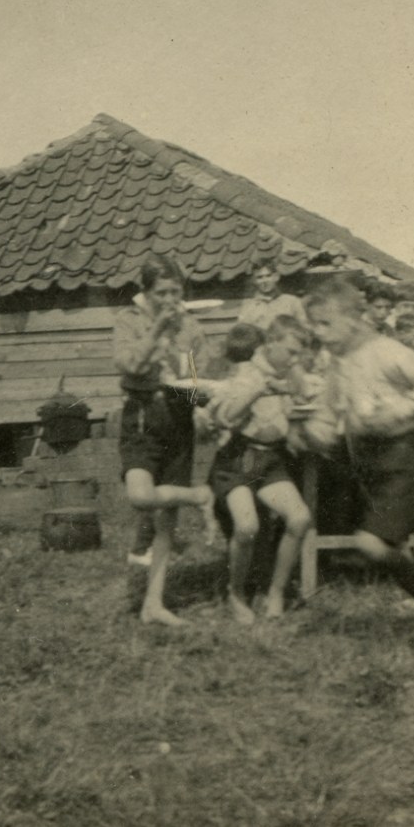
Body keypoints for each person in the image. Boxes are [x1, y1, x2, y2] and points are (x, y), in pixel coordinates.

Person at [304, 278, 414, 646]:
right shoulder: (338, 360)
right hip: (369, 463)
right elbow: (330, 405)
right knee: (376, 544)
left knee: (370, 543)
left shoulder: (385, 351)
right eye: (313, 324)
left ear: (352, 320)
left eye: (325, 323)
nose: (318, 332)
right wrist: (318, 429)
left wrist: (397, 412)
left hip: (400, 458)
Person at [112, 256, 218, 627]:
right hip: (142, 414)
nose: (171, 299)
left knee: (165, 521)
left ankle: (153, 604)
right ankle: (200, 496)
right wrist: (158, 329)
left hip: (177, 418)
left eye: (176, 292)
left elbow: (195, 375)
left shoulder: (190, 325)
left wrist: (199, 404)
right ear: (146, 292)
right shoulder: (129, 320)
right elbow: (130, 365)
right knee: (141, 496)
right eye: (162, 293)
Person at [208, 315, 313, 624]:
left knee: (300, 517)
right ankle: (236, 592)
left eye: (298, 354)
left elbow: (304, 395)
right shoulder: (246, 372)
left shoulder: (286, 371)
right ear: (271, 344)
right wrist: (258, 390)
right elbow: (225, 416)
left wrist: (293, 376)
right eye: (291, 352)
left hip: (270, 460)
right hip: (240, 458)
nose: (294, 360)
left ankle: (275, 592)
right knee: (247, 527)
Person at [236, 259, 306, 331]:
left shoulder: (292, 302)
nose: (265, 281)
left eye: (268, 276)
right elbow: (243, 333)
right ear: (254, 281)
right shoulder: (248, 306)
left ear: (276, 277)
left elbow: (303, 329)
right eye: (259, 277)